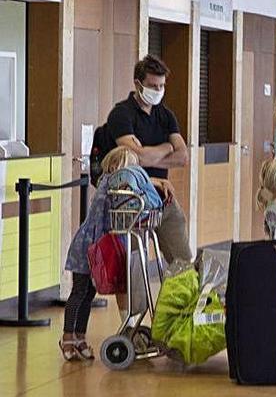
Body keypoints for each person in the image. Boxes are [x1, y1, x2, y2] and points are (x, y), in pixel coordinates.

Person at [60, 147, 162, 361]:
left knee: (88, 294)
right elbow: (101, 220)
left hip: (98, 244)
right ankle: (67, 336)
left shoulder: (111, 183)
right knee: (79, 292)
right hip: (88, 245)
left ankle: (80, 336)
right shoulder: (113, 184)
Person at [105, 55, 192, 266]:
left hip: (163, 196)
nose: (158, 90)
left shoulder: (166, 115)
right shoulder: (121, 114)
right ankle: (139, 301)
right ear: (138, 84)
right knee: (133, 267)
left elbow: (182, 157)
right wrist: (167, 147)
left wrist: (147, 157)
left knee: (183, 259)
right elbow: (136, 158)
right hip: (130, 199)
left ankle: (183, 294)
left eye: (162, 86)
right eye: (153, 85)